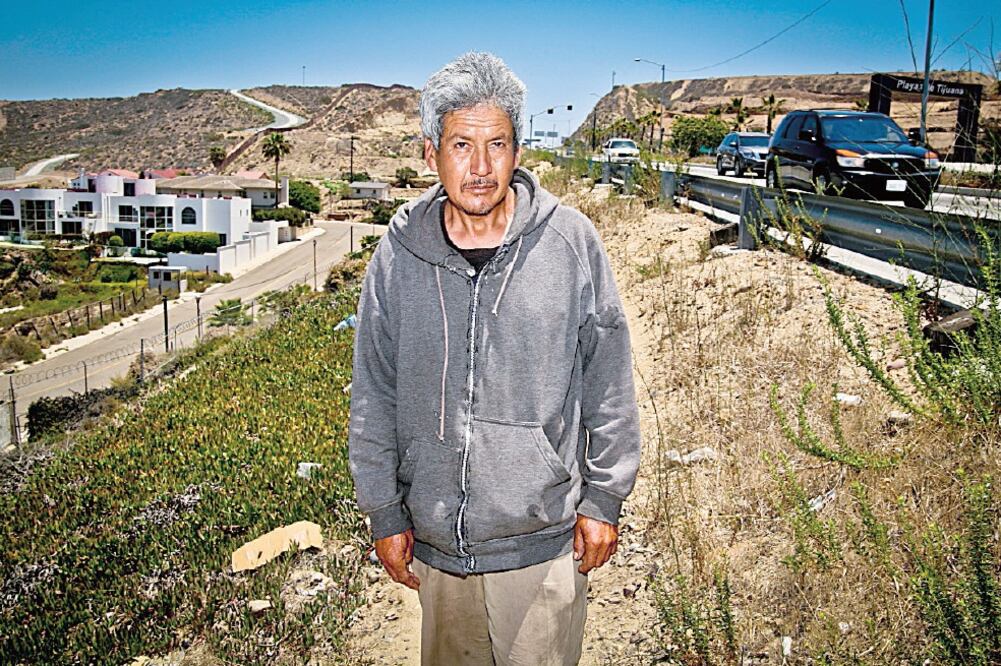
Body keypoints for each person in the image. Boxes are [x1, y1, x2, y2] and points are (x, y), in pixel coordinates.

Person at [348, 51, 641, 665]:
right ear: (429, 153)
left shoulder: (570, 244)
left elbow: (608, 380)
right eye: (461, 145)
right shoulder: (397, 259)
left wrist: (603, 499)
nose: (481, 168)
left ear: (518, 149)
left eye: (498, 144)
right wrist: (383, 510)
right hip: (437, 552)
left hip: (542, 547)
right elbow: (375, 391)